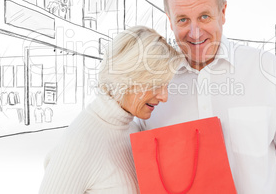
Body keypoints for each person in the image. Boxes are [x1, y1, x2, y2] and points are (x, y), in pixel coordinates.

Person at [139, 0, 276, 193]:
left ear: (223, 12)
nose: (195, 32)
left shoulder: (265, 70)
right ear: (170, 21)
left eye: (204, 16)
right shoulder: (155, 86)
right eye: (183, 20)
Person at [39, 26, 182, 194]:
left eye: (166, 85)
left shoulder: (134, 129)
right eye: (156, 84)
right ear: (128, 76)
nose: (164, 96)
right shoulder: (79, 144)